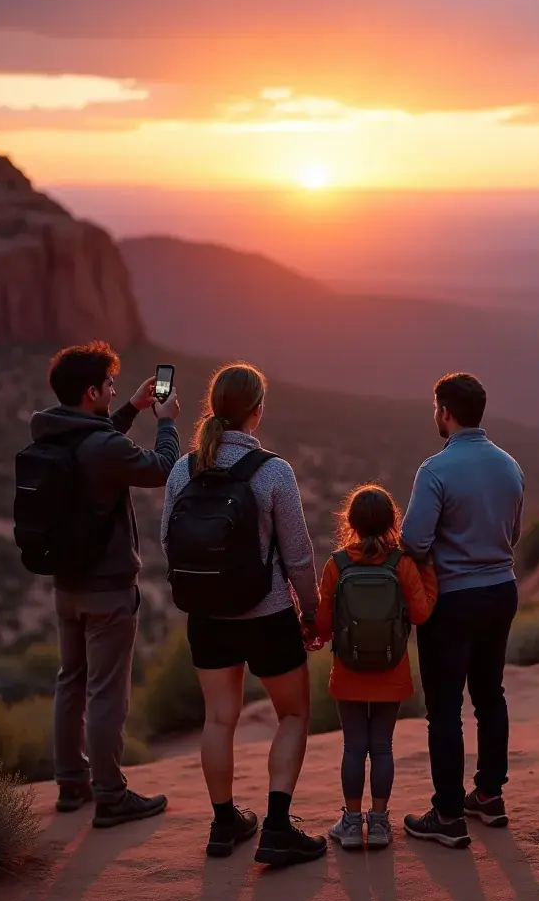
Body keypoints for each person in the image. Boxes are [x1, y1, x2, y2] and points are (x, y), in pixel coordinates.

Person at [160, 363, 326, 866]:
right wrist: (312, 611)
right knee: (294, 713)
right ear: (257, 411)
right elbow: (297, 554)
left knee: (218, 718)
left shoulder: (182, 469)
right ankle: (277, 828)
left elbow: (169, 540)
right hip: (267, 613)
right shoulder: (273, 471)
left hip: (208, 616)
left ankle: (223, 822)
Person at [30, 341, 180, 828]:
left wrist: (131, 407)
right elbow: (161, 469)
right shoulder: (102, 448)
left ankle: (71, 782)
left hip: (65, 586)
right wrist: (165, 421)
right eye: (111, 386)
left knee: (70, 681)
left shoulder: (54, 435)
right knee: (106, 691)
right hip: (108, 590)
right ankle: (111, 795)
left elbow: (96, 443)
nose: (115, 390)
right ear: (92, 391)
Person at [401, 373, 525, 848]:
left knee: (445, 709)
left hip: (453, 598)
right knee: (490, 695)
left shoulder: (435, 470)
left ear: (446, 412)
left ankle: (448, 814)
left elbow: (413, 540)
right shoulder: (510, 465)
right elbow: (512, 534)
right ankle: (489, 797)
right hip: (501, 590)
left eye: (437, 408)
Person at [315, 485, 438, 850]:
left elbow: (323, 626)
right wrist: (429, 574)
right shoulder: (401, 563)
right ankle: (381, 824)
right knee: (382, 747)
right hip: (391, 668)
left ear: (349, 522)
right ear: (391, 522)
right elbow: (420, 613)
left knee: (354, 747)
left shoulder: (336, 564)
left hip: (349, 671)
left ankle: (352, 825)